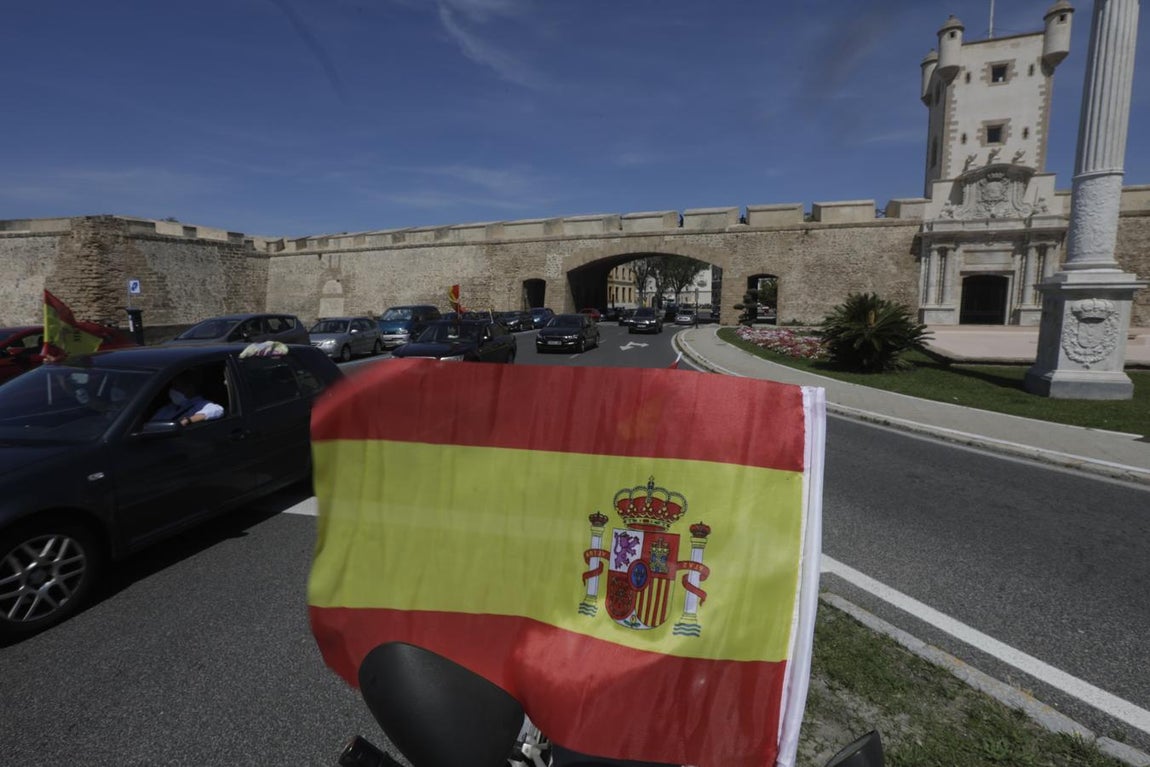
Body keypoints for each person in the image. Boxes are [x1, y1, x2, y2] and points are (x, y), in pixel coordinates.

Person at [150, 369, 224, 426]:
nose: (172, 390)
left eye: (177, 386)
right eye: (172, 386)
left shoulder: (200, 405)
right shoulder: (167, 408)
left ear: (189, 388)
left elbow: (218, 410)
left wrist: (188, 420)